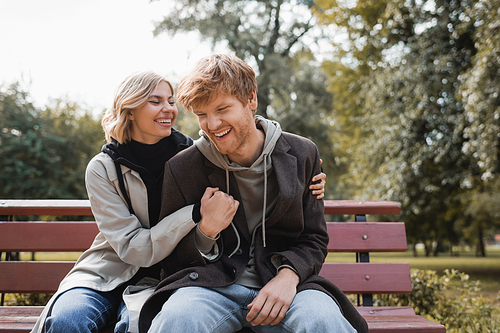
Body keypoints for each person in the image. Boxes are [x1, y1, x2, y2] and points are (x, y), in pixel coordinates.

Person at [31, 71, 326, 333]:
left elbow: (255, 147)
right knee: (68, 321)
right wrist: (196, 214)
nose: (168, 109)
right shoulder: (104, 169)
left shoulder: (193, 155)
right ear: (130, 109)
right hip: (108, 271)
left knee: (133, 325)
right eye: (155, 101)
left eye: (171, 101)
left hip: (160, 278)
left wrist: (305, 174)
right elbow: (134, 247)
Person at [138, 54, 368, 333]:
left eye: (222, 109)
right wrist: (205, 232)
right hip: (210, 288)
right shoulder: (182, 168)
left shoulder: (302, 153)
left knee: (323, 321)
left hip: (289, 289)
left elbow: (314, 239)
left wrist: (288, 276)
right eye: (202, 115)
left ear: (251, 99)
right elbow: (173, 260)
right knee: (176, 319)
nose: (212, 125)